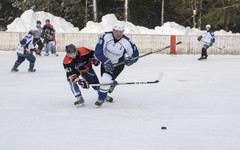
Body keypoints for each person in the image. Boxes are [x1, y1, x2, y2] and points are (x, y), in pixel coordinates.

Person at [94, 20, 139, 107]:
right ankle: (112, 83)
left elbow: (135, 54)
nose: (118, 34)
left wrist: (131, 60)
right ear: (113, 30)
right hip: (105, 63)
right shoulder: (106, 36)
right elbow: (98, 50)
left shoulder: (127, 41)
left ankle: (101, 98)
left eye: (121, 32)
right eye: (116, 31)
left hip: (117, 64)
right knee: (105, 82)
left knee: (105, 80)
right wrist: (104, 60)